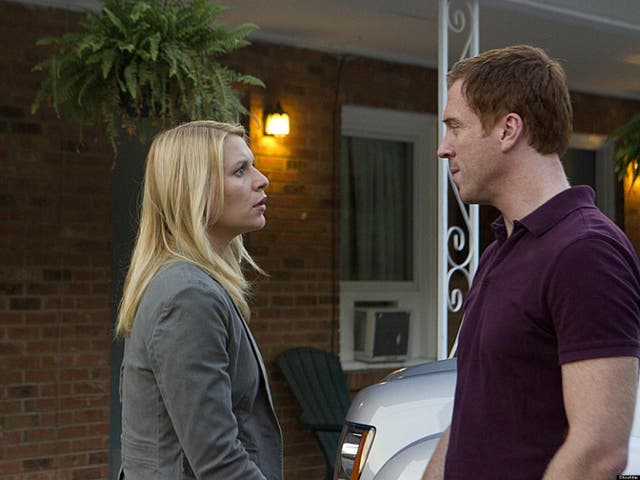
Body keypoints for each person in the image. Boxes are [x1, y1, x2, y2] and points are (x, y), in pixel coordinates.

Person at [423, 45, 640, 480]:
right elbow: (474, 414)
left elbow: (598, 451)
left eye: (455, 128)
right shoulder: (500, 250)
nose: (443, 149)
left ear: (508, 130)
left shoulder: (585, 253)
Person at [116, 120, 282, 479]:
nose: (262, 179)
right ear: (194, 190)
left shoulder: (191, 284)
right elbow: (219, 462)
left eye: (253, 166)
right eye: (240, 170)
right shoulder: (187, 296)